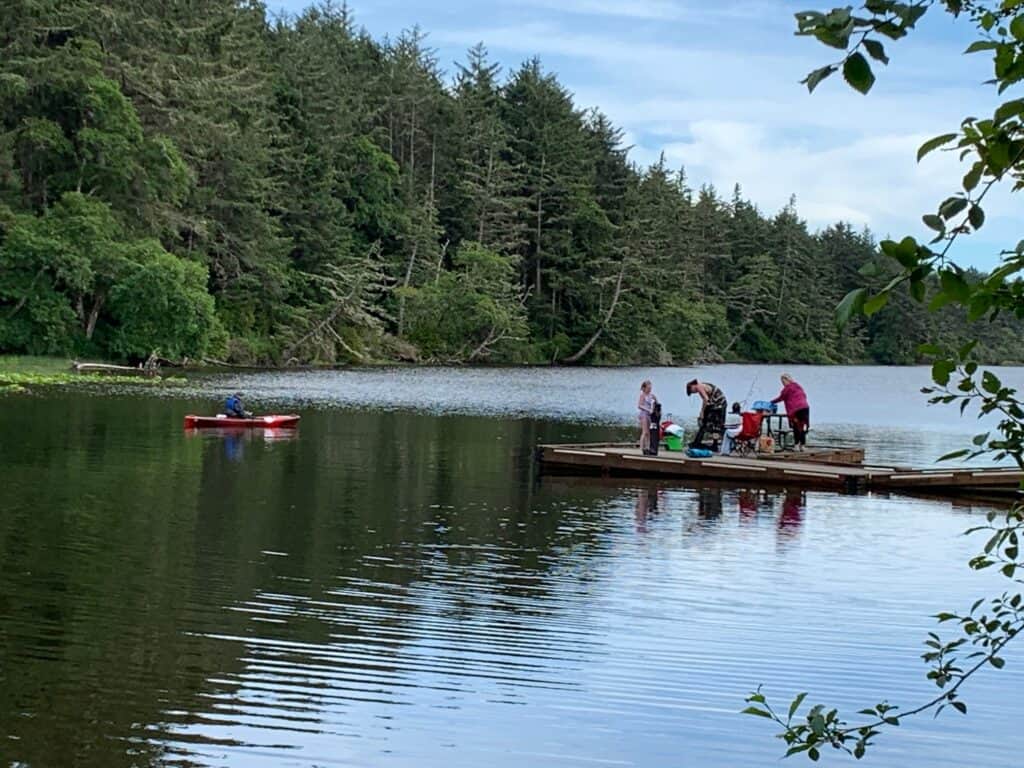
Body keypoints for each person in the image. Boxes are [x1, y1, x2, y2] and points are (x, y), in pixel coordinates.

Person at [771, 373, 810, 451]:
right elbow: (804, 395)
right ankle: (802, 446)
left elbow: (781, 398)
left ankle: (796, 445)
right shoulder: (798, 386)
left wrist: (771, 402)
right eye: (782, 382)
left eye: (783, 381)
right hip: (805, 407)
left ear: (788, 380)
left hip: (796, 410)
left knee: (796, 426)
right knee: (801, 427)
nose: (783, 383)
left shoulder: (787, 388)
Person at [687, 379, 727, 449]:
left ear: (692, 385)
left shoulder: (699, 387)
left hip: (718, 405)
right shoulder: (702, 385)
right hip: (718, 404)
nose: (693, 392)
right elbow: (707, 401)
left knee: (708, 424)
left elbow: (705, 399)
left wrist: (702, 412)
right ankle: (713, 444)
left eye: (691, 391)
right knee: (714, 426)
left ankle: (698, 443)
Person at [637, 380, 658, 454]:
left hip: (651, 415)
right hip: (644, 414)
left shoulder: (652, 396)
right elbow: (639, 405)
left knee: (649, 433)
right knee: (645, 432)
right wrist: (648, 409)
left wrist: (656, 410)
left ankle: (648, 447)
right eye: (648, 388)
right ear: (644, 388)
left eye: (650, 388)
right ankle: (641, 447)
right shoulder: (642, 395)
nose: (649, 389)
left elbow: (657, 404)